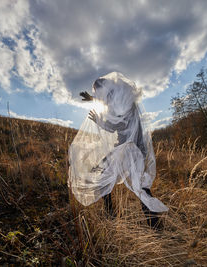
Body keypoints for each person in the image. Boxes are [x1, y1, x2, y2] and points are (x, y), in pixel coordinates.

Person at [69, 72, 168, 229]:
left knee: (136, 185)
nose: (99, 96)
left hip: (131, 150)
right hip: (127, 149)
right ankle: (119, 216)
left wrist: (100, 121)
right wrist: (92, 99)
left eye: (98, 93)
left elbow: (119, 125)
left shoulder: (123, 103)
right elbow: (112, 104)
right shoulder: (122, 99)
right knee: (109, 176)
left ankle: (153, 225)